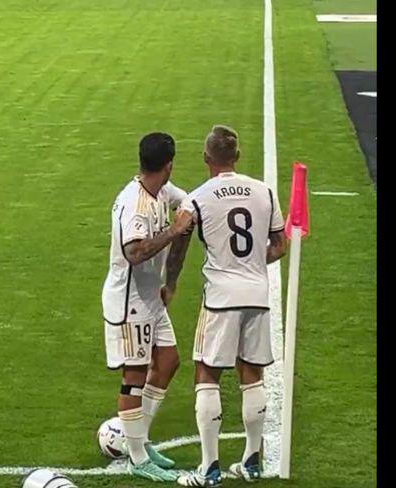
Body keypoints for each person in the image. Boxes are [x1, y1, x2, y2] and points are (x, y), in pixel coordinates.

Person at [177, 126, 288, 487]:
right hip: (258, 293)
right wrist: (254, 263)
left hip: (221, 298)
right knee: (252, 374)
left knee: (207, 375)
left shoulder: (197, 198)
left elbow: (179, 242)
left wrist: (170, 283)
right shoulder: (264, 191)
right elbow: (280, 245)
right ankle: (252, 462)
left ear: (206, 158)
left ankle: (209, 468)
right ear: (237, 157)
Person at [102, 132, 195, 482]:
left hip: (150, 299)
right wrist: (175, 230)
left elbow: (186, 200)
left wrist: (188, 212)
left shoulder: (161, 191)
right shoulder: (135, 204)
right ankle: (137, 458)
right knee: (134, 379)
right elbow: (134, 251)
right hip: (130, 303)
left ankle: (139, 438)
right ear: (168, 164)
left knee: (169, 361)